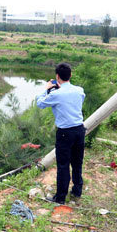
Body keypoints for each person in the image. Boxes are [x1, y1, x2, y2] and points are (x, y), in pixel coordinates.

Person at [36, 63, 86, 204]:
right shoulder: (79, 90)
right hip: (80, 130)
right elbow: (78, 99)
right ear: (70, 75)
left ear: (57, 76)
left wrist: (46, 89)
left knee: (63, 165)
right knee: (77, 162)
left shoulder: (56, 94)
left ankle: (60, 197)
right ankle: (77, 191)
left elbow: (40, 103)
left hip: (65, 133)